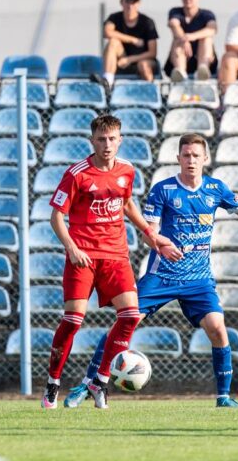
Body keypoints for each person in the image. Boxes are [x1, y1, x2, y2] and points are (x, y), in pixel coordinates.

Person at [63, 133, 238, 409]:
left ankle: (223, 397)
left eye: (196, 155)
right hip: (162, 275)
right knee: (125, 322)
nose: (191, 160)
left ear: (205, 158)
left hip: (198, 279)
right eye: (186, 155)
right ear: (178, 158)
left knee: (217, 328)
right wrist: (161, 245)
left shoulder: (216, 189)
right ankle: (88, 383)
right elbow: (149, 232)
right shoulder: (163, 190)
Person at [41, 114, 173, 410]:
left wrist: (150, 233)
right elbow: (56, 217)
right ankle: (53, 382)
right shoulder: (77, 174)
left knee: (130, 316)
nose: (107, 144)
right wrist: (72, 248)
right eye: (101, 139)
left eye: (112, 139)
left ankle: (99, 381)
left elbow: (126, 204)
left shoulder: (127, 170)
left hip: (115, 255)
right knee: (73, 321)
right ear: (92, 141)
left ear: (120, 140)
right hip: (84, 257)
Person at [92, 0, 158, 90]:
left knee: (144, 65)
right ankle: (107, 83)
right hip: (121, 61)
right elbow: (107, 32)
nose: (130, 6)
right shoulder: (114, 18)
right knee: (113, 42)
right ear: (121, 2)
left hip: (141, 60)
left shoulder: (147, 22)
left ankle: (149, 92)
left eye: (134, 2)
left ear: (139, 3)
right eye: (127, 1)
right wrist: (133, 40)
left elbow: (152, 52)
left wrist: (129, 59)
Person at [164, 0, 217, 82]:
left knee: (206, 39)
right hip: (180, 58)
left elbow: (212, 29)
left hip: (203, 59)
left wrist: (191, 36)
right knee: (178, 40)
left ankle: (202, 70)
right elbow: (174, 25)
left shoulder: (207, 14)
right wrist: (184, 39)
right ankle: (180, 73)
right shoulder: (175, 12)